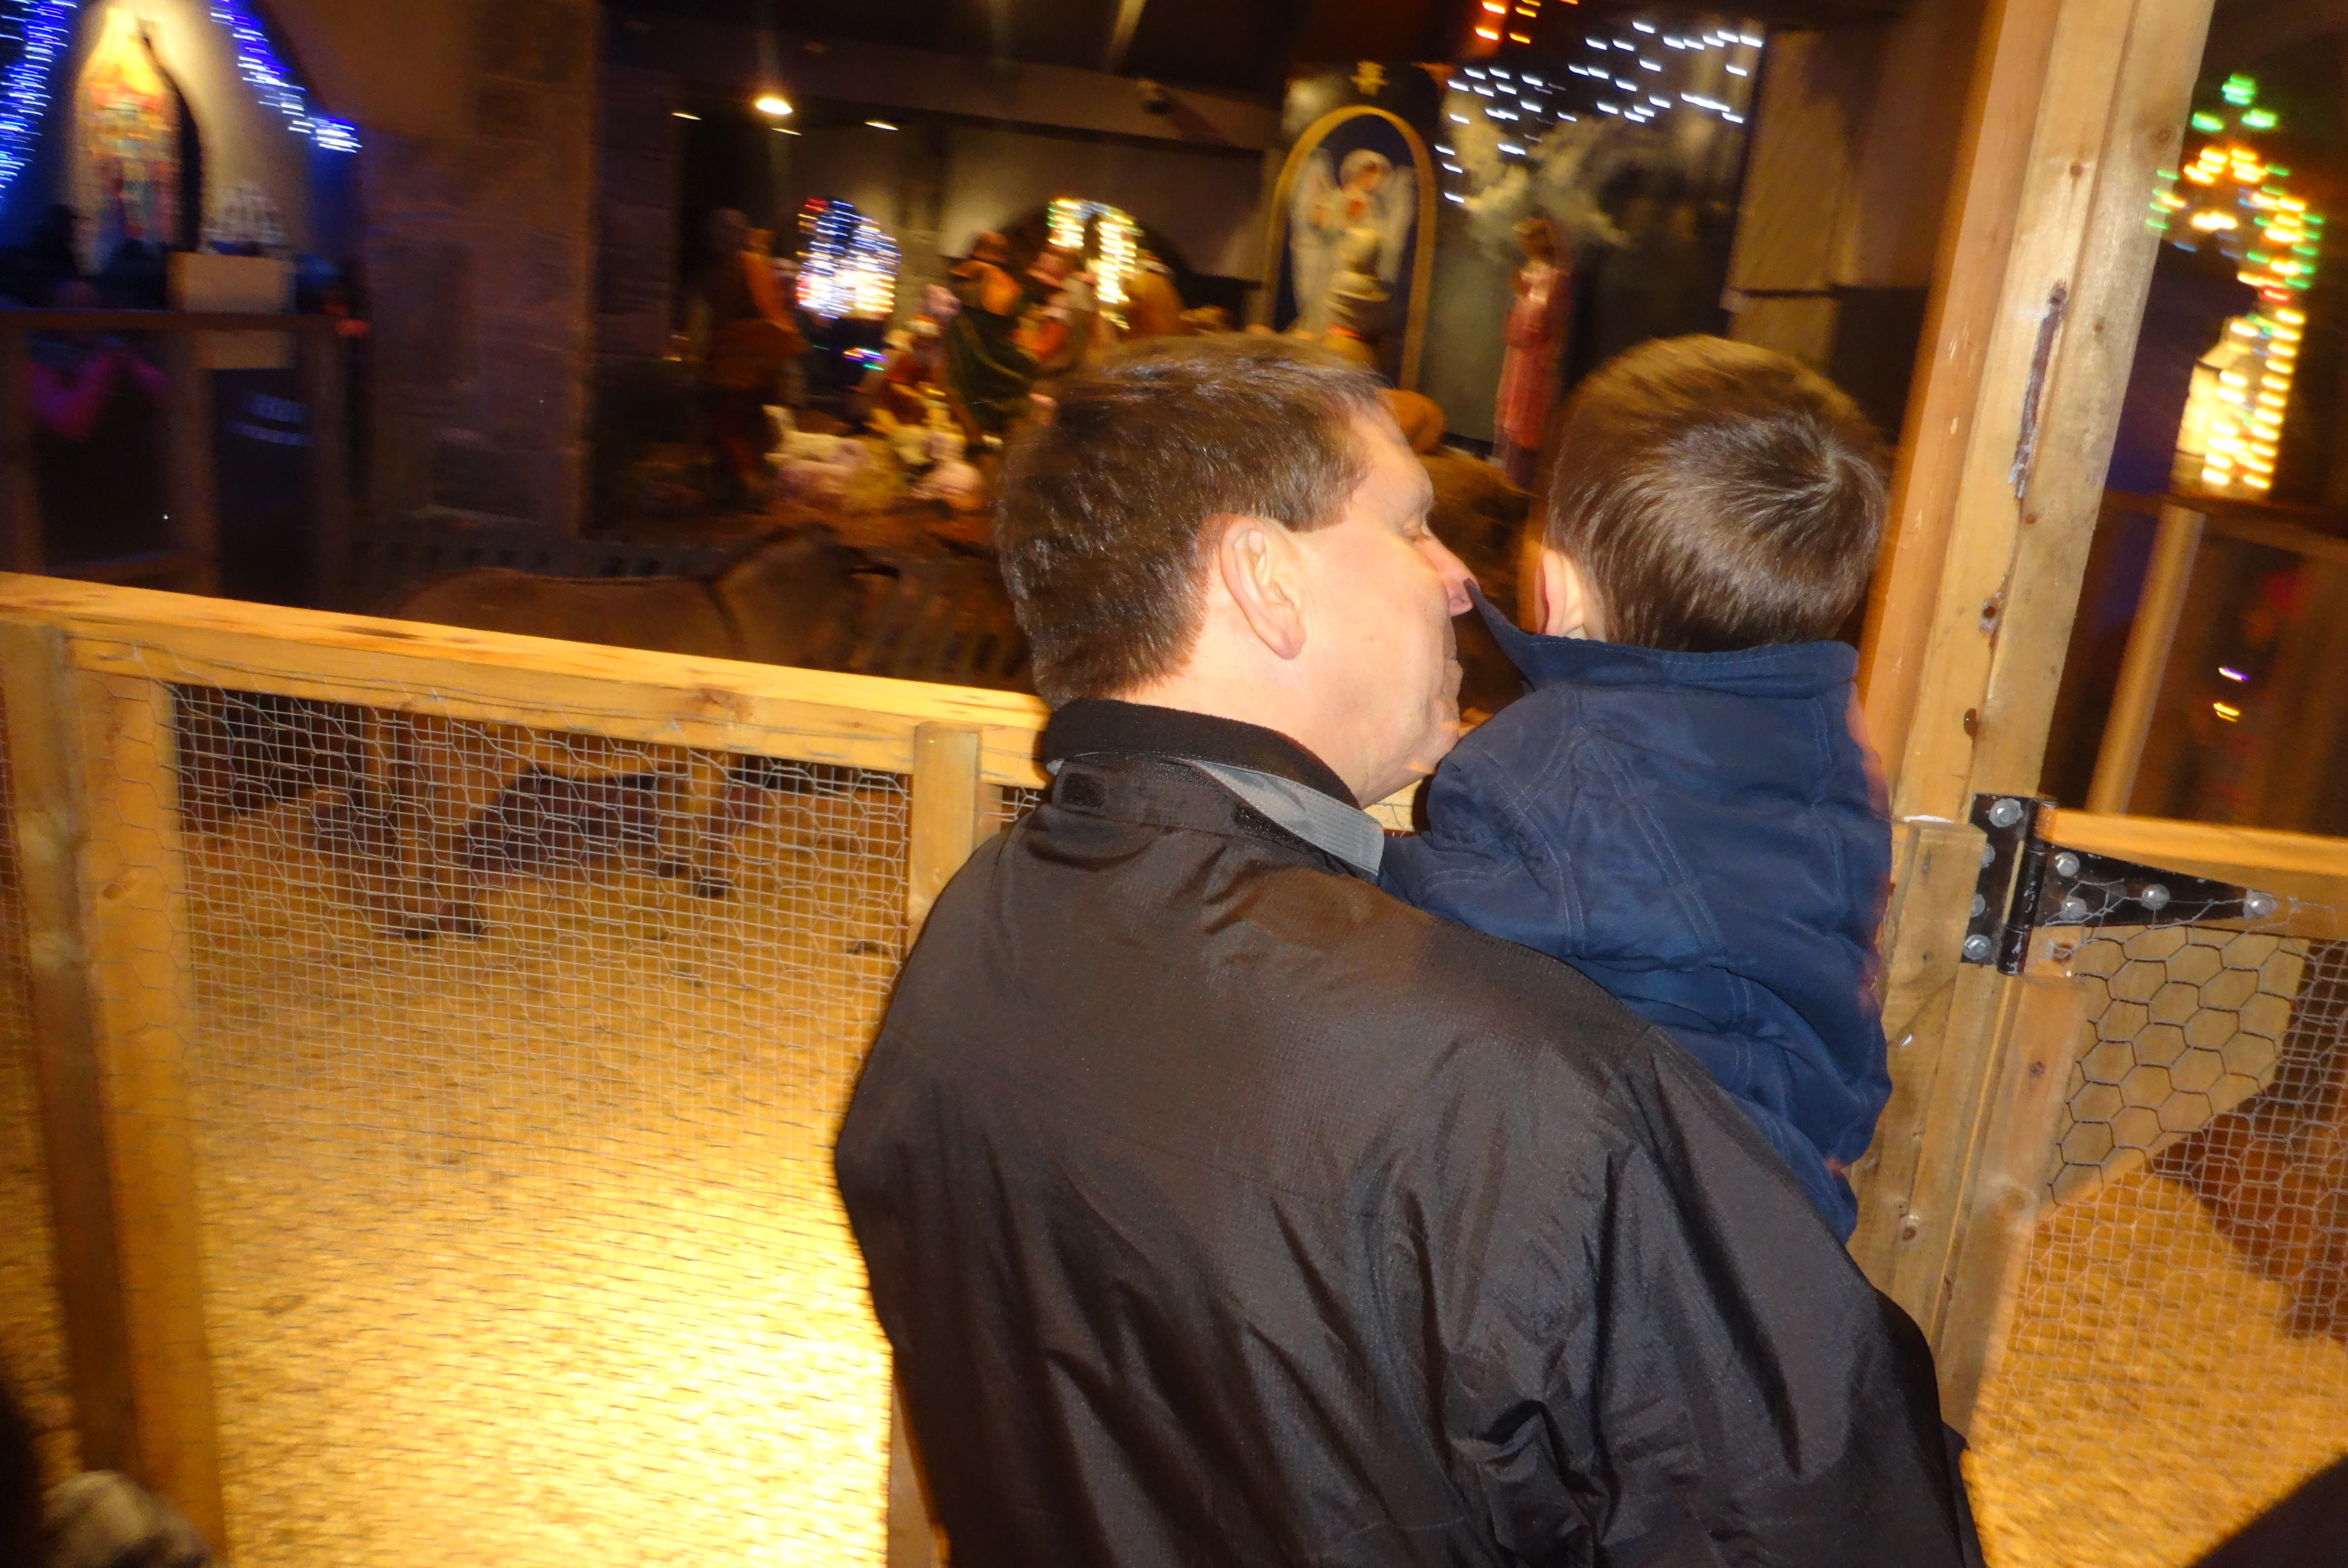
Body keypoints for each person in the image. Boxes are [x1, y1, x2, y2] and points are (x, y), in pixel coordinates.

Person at [835, 334, 1980, 1566]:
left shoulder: (970, 937)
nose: (1457, 577)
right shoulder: (1511, 1084)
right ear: (1264, 578)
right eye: (1412, 525)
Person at [1384, 335, 1892, 1238]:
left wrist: (1355, 855)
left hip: (1628, 1207)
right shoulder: (1834, 745)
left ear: (1557, 592)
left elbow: (1429, 945)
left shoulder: (1546, 756)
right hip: (1786, 1185)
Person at [693, 207, 803, 503]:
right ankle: (747, 481)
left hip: (734, 367)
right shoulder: (748, 267)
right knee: (740, 426)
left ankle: (749, 485)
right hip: (751, 364)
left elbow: (711, 322)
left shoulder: (727, 272)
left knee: (728, 428)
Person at [1493, 214, 1572, 488]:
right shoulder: (1532, 271)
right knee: (1512, 413)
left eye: (1528, 237)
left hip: (1535, 359)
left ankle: (1519, 482)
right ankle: (1507, 474)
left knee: (1526, 418)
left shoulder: (1553, 277)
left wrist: (1522, 296)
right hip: (1521, 357)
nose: (1523, 243)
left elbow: (1536, 323)